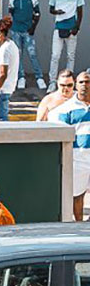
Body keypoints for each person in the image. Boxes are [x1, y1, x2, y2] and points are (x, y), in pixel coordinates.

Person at [50, 71, 90, 220]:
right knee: (77, 196)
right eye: (81, 82)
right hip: (78, 160)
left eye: (87, 82)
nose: (84, 85)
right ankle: (79, 225)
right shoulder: (64, 110)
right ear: (76, 85)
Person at [6, 0, 45, 91]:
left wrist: (33, 27)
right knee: (18, 55)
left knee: (32, 54)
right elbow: (11, 15)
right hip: (15, 31)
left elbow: (37, 14)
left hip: (28, 31)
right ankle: (21, 77)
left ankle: (39, 78)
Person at [48, 0, 84, 81]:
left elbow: (80, 11)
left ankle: (69, 80)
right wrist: (56, 12)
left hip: (71, 28)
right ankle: (52, 81)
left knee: (70, 56)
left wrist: (76, 28)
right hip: (58, 27)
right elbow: (50, 9)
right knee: (55, 56)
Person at [0, 20, 21, 121]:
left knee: (1, 119)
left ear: (0, 34)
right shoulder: (12, 45)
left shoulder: (4, 50)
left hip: (1, 90)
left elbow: (3, 74)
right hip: (7, 88)